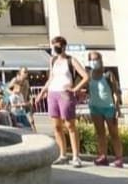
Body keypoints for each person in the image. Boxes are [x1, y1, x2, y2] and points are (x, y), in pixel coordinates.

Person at [34, 36, 88, 167]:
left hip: (65, 94)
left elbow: (86, 76)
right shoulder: (53, 61)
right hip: (53, 93)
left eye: (57, 46)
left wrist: (75, 89)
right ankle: (62, 154)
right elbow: (51, 78)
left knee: (70, 125)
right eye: (53, 46)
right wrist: (42, 92)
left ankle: (76, 156)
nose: (55, 48)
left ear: (64, 46)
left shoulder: (71, 60)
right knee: (56, 126)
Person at [85, 51, 123, 167]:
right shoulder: (88, 75)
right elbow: (87, 90)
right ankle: (102, 156)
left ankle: (119, 158)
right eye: (91, 59)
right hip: (95, 107)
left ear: (101, 60)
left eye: (96, 59)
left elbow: (116, 92)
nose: (94, 62)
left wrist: (117, 108)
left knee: (114, 134)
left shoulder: (108, 74)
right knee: (100, 133)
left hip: (109, 107)